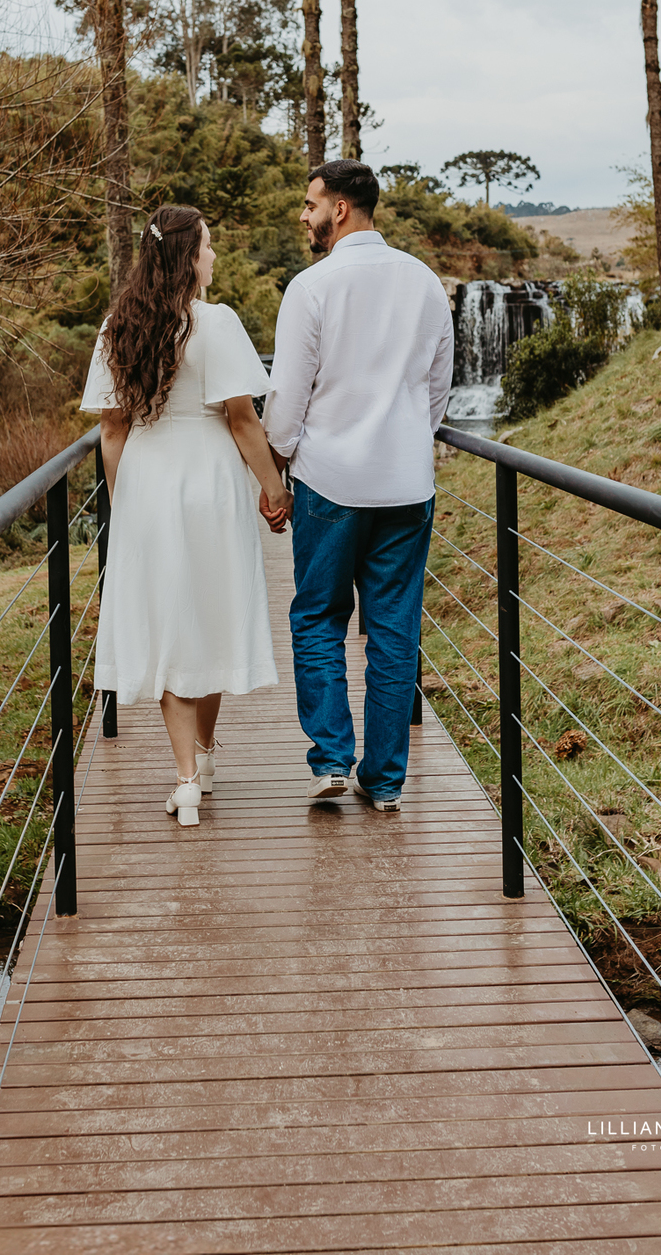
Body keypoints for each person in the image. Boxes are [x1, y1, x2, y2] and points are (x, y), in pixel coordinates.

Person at [81, 205, 290, 826]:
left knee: (171, 620)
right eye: (208, 245)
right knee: (211, 608)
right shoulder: (217, 323)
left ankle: (188, 777)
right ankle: (202, 751)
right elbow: (242, 419)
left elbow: (111, 431)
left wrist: (125, 504)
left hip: (149, 478)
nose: (215, 256)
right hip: (210, 481)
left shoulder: (119, 325)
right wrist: (274, 489)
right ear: (186, 257)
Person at [262, 160, 454, 812]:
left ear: (339, 209)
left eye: (309, 203)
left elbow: (286, 398)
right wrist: (403, 438)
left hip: (330, 482)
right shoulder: (426, 283)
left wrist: (278, 469)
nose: (303, 214)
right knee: (394, 627)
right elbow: (436, 390)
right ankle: (388, 779)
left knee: (318, 616)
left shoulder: (311, 288)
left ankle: (333, 760)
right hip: (405, 483)